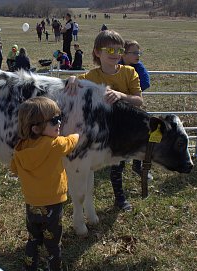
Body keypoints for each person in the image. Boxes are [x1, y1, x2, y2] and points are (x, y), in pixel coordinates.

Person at [65, 30, 143, 211]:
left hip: (123, 127)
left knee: (118, 165)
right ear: (97, 52)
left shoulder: (129, 73)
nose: (115, 55)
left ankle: (120, 198)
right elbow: (77, 81)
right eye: (109, 50)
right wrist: (72, 78)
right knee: (97, 164)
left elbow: (139, 100)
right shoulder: (91, 76)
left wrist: (121, 95)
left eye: (119, 50)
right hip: (101, 129)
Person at [11, 97, 79, 271]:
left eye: (59, 117)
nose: (59, 123)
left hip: (31, 202)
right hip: (52, 204)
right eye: (54, 120)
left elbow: (14, 169)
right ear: (36, 127)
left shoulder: (20, 147)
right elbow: (70, 142)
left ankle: (29, 267)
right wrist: (78, 134)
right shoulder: (55, 144)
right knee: (53, 242)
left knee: (34, 238)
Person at [119, 40, 152, 180]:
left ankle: (137, 165)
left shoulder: (138, 66)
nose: (138, 55)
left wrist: (129, 91)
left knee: (142, 132)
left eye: (139, 52)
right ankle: (118, 161)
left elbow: (145, 82)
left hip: (133, 105)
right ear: (124, 54)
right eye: (134, 52)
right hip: (117, 107)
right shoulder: (116, 65)